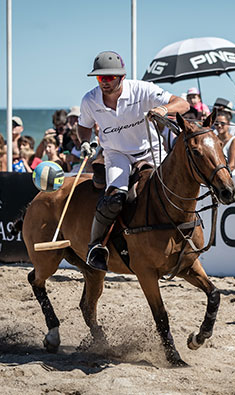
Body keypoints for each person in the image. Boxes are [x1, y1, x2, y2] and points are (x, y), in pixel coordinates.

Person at [75, 50, 189, 271]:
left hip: (150, 150)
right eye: (101, 78)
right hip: (117, 154)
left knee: (171, 191)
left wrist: (164, 109)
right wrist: (84, 142)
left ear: (121, 77)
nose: (105, 82)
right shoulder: (90, 100)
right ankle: (95, 247)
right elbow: (83, 125)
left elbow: (182, 104)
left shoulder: (141, 89)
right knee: (114, 198)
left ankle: (186, 235)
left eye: (109, 78)